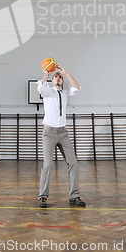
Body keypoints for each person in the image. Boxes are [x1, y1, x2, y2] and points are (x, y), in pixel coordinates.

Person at [37, 65, 86, 208]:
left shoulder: (65, 93)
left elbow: (77, 87)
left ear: (62, 81)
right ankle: (42, 197)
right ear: (52, 81)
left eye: (60, 77)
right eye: (56, 77)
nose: (58, 78)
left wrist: (67, 73)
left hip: (63, 133)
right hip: (49, 133)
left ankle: (74, 196)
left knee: (73, 163)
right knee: (47, 164)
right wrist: (47, 73)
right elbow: (40, 87)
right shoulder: (48, 92)